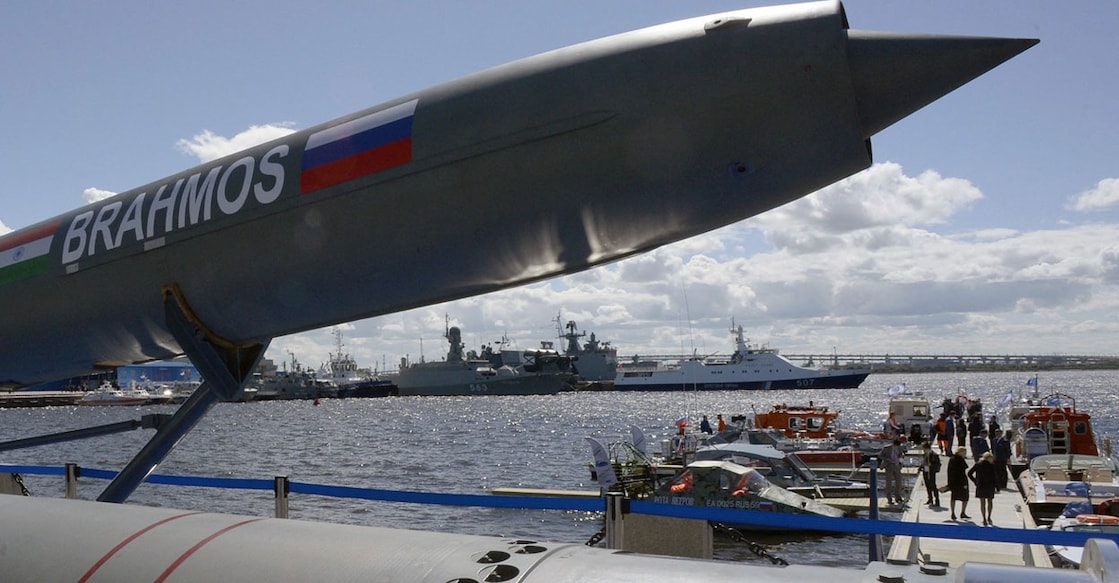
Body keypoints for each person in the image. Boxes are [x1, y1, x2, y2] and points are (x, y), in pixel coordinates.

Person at [968, 451, 997, 526]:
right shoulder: (992, 465)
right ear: (988, 458)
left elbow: (969, 473)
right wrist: (997, 486)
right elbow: (995, 476)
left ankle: (984, 518)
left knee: (982, 503)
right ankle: (989, 517)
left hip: (981, 485)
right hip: (990, 485)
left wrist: (975, 481)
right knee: (990, 502)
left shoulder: (978, 464)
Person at [947, 446, 971, 521]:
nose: (965, 454)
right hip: (961, 481)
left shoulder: (952, 459)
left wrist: (949, 482)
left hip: (953, 481)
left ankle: (953, 513)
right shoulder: (960, 460)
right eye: (964, 452)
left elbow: (949, 471)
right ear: (960, 452)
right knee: (965, 498)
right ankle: (963, 512)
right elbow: (962, 473)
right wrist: (964, 484)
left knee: (953, 497)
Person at [880, 438, 905, 506]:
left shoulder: (899, 448)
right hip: (889, 466)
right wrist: (888, 459)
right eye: (896, 446)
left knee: (899, 482)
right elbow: (880, 456)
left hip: (897, 466)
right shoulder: (886, 448)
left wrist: (902, 456)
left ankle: (898, 497)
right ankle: (889, 499)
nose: (897, 447)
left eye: (898, 446)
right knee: (889, 483)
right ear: (893, 444)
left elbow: (901, 454)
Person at [921, 441, 941, 507]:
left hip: (931, 471)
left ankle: (937, 500)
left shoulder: (933, 454)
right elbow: (923, 462)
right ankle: (930, 499)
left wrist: (931, 465)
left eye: (923, 448)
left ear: (926, 448)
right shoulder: (925, 454)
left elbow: (937, 463)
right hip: (925, 471)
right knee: (927, 485)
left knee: (933, 485)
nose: (923, 450)